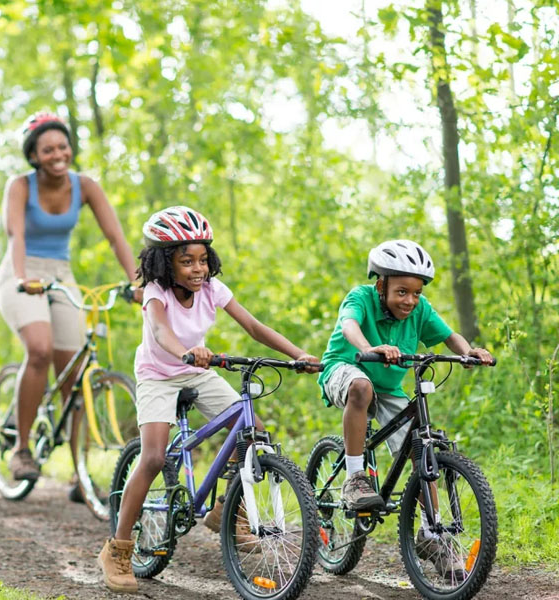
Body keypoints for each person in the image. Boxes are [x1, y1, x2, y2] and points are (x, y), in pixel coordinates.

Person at [97, 206, 320, 593]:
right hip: (158, 374)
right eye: (187, 261)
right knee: (153, 457)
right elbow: (160, 331)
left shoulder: (213, 289)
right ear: (165, 263)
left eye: (203, 259)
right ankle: (118, 548)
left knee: (253, 432)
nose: (198, 269)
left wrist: (297, 354)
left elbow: (253, 326)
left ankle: (227, 512)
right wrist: (185, 351)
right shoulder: (156, 293)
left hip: (197, 370)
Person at [317, 239, 493, 577]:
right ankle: (354, 477)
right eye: (401, 292)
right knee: (361, 387)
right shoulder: (360, 297)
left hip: (388, 387)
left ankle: (431, 534)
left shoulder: (421, 309)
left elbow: (449, 336)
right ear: (380, 286)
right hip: (345, 369)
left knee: (421, 451)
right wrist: (370, 347)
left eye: (416, 292)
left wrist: (468, 351)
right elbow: (349, 326)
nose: (410, 300)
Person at [0, 112, 141, 485]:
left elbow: (115, 237)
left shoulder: (86, 186)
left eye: (63, 146)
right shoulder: (20, 186)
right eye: (48, 149)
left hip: (61, 273)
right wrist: (22, 277)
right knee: (39, 350)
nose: (57, 154)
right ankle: (21, 449)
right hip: (21, 270)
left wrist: (138, 282)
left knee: (75, 373)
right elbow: (15, 236)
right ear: (33, 155)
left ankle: (80, 472)